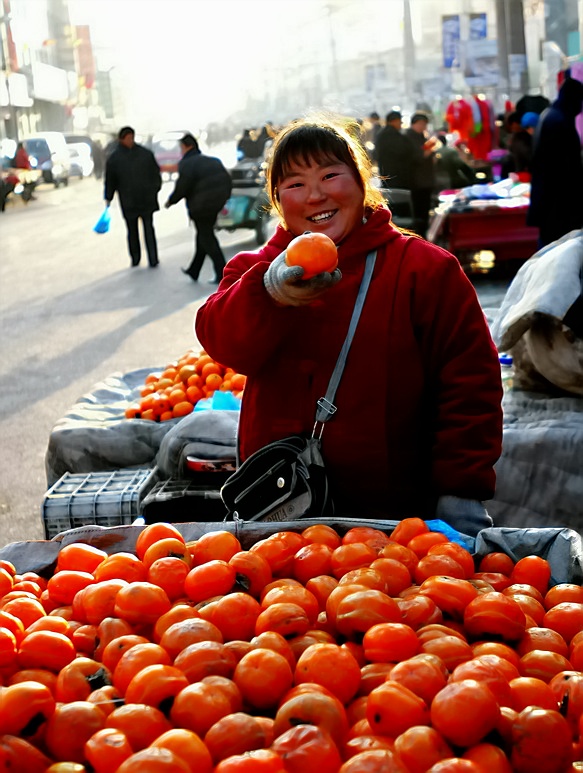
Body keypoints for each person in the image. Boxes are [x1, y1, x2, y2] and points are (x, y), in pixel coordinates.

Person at [195, 114, 503, 536]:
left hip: (396, 516)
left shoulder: (423, 270)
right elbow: (224, 341)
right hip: (284, 517)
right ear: (278, 200)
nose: (316, 195)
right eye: (295, 184)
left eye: (330, 175)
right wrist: (270, 294)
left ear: (361, 182)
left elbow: (470, 386)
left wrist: (461, 490)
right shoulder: (254, 271)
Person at [165, 133, 232, 283]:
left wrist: (171, 201)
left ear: (188, 147)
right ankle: (194, 270)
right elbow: (227, 181)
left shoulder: (186, 164)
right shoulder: (213, 161)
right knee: (203, 234)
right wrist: (222, 199)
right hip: (215, 204)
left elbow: (182, 187)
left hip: (200, 207)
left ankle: (223, 272)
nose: (181, 151)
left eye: (181, 147)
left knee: (207, 237)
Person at [527, 77, 583, 247]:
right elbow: (567, 169)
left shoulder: (549, 116)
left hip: (548, 203)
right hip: (559, 206)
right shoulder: (559, 122)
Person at [104, 126, 162, 268]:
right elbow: (110, 180)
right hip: (128, 200)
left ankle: (153, 258)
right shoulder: (114, 158)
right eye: (128, 138)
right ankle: (135, 258)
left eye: (132, 137)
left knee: (149, 228)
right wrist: (108, 197)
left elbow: (156, 175)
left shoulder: (145, 154)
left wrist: (154, 190)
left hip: (146, 199)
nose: (131, 140)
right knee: (132, 231)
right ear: (121, 139)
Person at [405, 111, 440, 238]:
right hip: (415, 181)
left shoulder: (422, 137)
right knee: (417, 210)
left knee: (425, 210)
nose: (422, 126)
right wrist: (426, 153)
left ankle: (424, 234)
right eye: (420, 123)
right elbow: (413, 157)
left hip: (426, 180)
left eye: (424, 124)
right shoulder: (408, 137)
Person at [374, 110, 414, 190]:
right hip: (397, 174)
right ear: (394, 121)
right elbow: (403, 151)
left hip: (385, 173)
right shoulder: (393, 136)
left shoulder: (381, 134)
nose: (401, 124)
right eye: (400, 122)